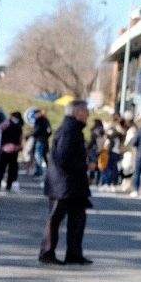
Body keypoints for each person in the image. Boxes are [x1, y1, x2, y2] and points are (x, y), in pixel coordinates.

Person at [42, 100, 92, 266]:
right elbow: (63, 158)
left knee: (78, 218)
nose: (88, 115)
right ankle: (47, 252)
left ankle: (74, 254)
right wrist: (85, 165)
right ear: (77, 113)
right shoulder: (69, 130)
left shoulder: (74, 129)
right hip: (62, 184)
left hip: (73, 185)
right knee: (56, 218)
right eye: (86, 112)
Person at [0, 110, 23, 192]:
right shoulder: (19, 125)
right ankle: (8, 185)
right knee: (11, 169)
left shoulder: (6, 123)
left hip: (5, 149)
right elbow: (20, 138)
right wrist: (19, 146)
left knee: (2, 168)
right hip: (14, 150)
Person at [30, 108, 52, 177]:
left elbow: (37, 130)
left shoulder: (39, 120)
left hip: (39, 140)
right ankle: (49, 172)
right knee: (44, 156)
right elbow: (49, 131)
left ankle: (39, 171)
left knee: (38, 156)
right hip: (45, 140)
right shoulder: (46, 120)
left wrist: (32, 134)